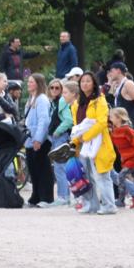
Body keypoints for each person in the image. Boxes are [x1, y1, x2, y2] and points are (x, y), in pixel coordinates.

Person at [70, 72, 117, 215]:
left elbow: (102, 122)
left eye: (88, 81)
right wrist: (76, 141)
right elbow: (77, 126)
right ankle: (93, 205)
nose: (84, 84)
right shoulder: (77, 104)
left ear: (94, 84)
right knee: (87, 177)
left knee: (103, 176)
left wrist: (86, 136)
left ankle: (109, 205)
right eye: (82, 81)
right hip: (84, 146)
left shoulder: (99, 100)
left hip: (99, 144)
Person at [23, 73, 54, 207]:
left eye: (31, 82)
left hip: (39, 138)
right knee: (33, 168)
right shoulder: (31, 99)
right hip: (30, 139)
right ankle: (36, 196)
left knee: (43, 168)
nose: (28, 84)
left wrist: (38, 139)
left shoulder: (42, 99)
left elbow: (44, 120)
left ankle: (46, 197)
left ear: (38, 84)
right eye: (28, 82)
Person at [44, 78, 75, 208]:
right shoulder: (54, 102)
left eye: (58, 88)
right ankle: (65, 196)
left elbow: (68, 120)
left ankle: (63, 197)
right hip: (56, 137)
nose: (54, 90)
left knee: (59, 168)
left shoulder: (62, 101)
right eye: (52, 87)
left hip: (61, 137)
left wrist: (57, 132)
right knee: (60, 167)